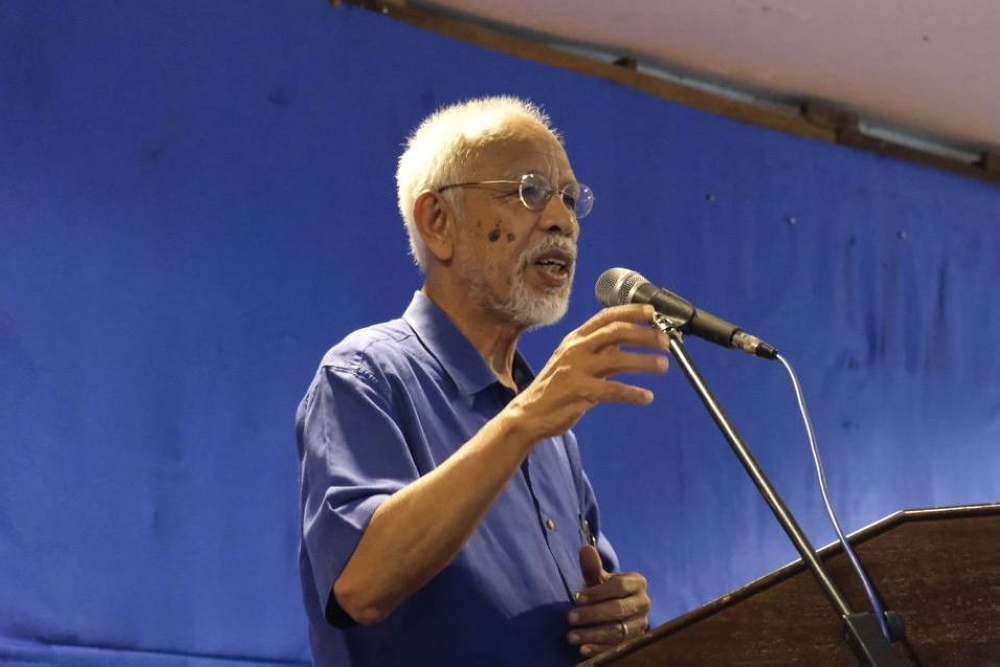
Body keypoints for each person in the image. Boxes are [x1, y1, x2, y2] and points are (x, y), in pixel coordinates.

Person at [296, 96, 670, 666]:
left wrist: (620, 615)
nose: (562, 221)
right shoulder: (365, 375)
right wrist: (522, 423)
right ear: (438, 222)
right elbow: (360, 584)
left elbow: (590, 597)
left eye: (570, 199)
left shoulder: (549, 426)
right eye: (528, 192)